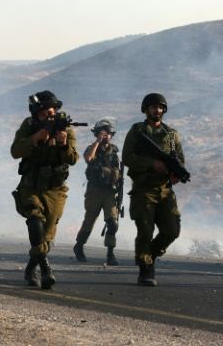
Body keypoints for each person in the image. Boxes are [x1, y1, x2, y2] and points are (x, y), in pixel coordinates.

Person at [11, 91, 79, 289]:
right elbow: (15, 151)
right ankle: (46, 269)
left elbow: (73, 159)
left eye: (50, 112)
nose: (48, 117)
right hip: (31, 186)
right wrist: (34, 139)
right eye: (42, 114)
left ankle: (31, 268)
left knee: (46, 238)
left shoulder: (65, 128)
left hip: (55, 190)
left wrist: (64, 144)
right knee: (34, 220)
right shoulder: (29, 126)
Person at [122, 93, 185, 286]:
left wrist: (176, 173)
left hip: (165, 190)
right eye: (153, 107)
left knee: (172, 230)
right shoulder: (137, 131)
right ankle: (145, 268)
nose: (157, 111)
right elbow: (127, 157)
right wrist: (151, 164)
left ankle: (149, 255)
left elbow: (179, 159)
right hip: (144, 189)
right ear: (146, 109)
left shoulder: (172, 135)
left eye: (160, 107)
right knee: (145, 231)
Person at [73, 118, 120, 265]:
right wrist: (97, 142)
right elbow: (89, 158)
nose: (105, 136)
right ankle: (79, 246)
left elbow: (118, 171)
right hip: (94, 191)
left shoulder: (114, 151)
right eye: (102, 133)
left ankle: (110, 253)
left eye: (107, 133)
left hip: (110, 192)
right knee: (89, 221)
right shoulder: (92, 147)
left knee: (112, 222)